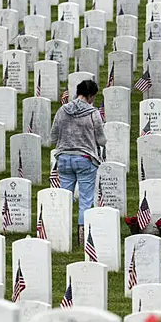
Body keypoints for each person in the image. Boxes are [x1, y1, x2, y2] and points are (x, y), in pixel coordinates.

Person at [49, 79, 107, 245]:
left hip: (64, 158)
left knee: (64, 198)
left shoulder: (63, 110)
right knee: (86, 199)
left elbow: (53, 136)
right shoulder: (93, 113)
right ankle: (82, 238)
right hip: (85, 159)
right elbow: (101, 139)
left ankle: (61, 234)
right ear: (90, 96)